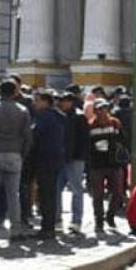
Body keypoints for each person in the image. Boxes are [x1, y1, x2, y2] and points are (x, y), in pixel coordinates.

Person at [0, 79, 32, 242]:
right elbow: (28, 137)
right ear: (15, 92)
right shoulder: (22, 110)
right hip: (14, 153)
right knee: (13, 195)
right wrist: (21, 154)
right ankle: (16, 230)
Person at [30, 91, 67, 240]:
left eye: (37, 100)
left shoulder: (44, 117)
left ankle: (47, 228)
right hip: (57, 158)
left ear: (46, 102)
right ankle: (49, 226)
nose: (35, 103)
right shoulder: (60, 116)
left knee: (45, 195)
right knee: (50, 194)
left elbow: (35, 135)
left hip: (45, 159)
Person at [87, 99, 127, 235]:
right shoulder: (91, 125)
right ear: (95, 111)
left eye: (105, 108)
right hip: (97, 165)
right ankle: (99, 220)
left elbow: (123, 139)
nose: (103, 111)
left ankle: (110, 216)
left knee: (118, 192)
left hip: (114, 163)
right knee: (97, 195)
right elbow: (86, 144)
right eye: (99, 109)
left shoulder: (115, 123)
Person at [58, 91, 90, 235]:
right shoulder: (60, 116)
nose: (62, 103)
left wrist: (80, 156)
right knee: (56, 189)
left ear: (71, 102)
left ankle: (76, 221)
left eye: (64, 100)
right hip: (61, 158)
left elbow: (84, 139)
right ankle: (57, 219)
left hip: (75, 159)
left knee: (76, 190)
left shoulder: (79, 116)